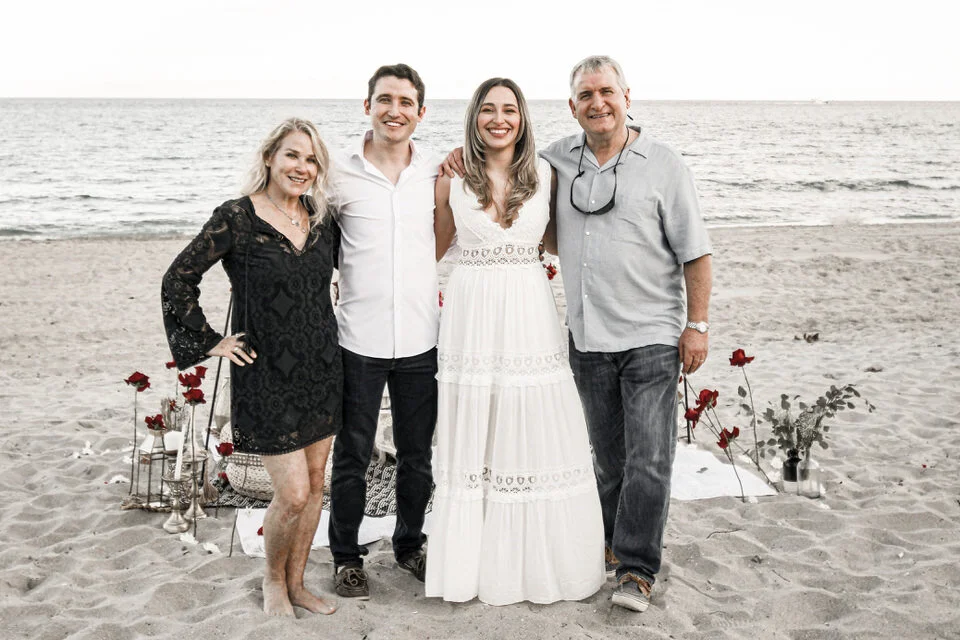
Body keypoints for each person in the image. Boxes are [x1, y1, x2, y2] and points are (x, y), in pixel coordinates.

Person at [540, 56, 714, 613]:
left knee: (649, 460)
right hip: (588, 339)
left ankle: (637, 569)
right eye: (586, 95)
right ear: (572, 106)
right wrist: (455, 158)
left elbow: (696, 252)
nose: (598, 103)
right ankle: (614, 545)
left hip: (651, 338)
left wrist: (697, 326)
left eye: (606, 92)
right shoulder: (555, 160)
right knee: (608, 460)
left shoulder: (663, 163)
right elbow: (503, 168)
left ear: (626, 97)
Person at [426, 78, 605, 605]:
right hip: (471, 316)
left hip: (529, 312)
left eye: (509, 109)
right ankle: (472, 564)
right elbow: (430, 251)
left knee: (531, 419)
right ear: (474, 118)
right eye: (488, 109)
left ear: (523, 118)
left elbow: (569, 242)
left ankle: (539, 560)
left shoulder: (547, 175)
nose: (498, 119)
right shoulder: (451, 178)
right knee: (477, 425)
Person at [162, 118, 342, 617]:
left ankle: (298, 583)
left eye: (311, 160)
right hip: (266, 376)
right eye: (292, 155)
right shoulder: (236, 218)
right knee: (293, 492)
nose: (302, 167)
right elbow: (178, 278)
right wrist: (211, 342)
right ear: (269, 158)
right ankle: (272, 581)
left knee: (316, 485)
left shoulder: (322, 219)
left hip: (323, 367)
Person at [327, 63, 440, 600]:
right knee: (352, 453)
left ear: (421, 111)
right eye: (385, 99)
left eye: (405, 102)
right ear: (367, 105)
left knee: (417, 455)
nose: (395, 110)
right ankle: (346, 557)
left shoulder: (438, 170)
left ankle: (410, 545)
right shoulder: (337, 172)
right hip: (358, 338)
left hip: (421, 337)